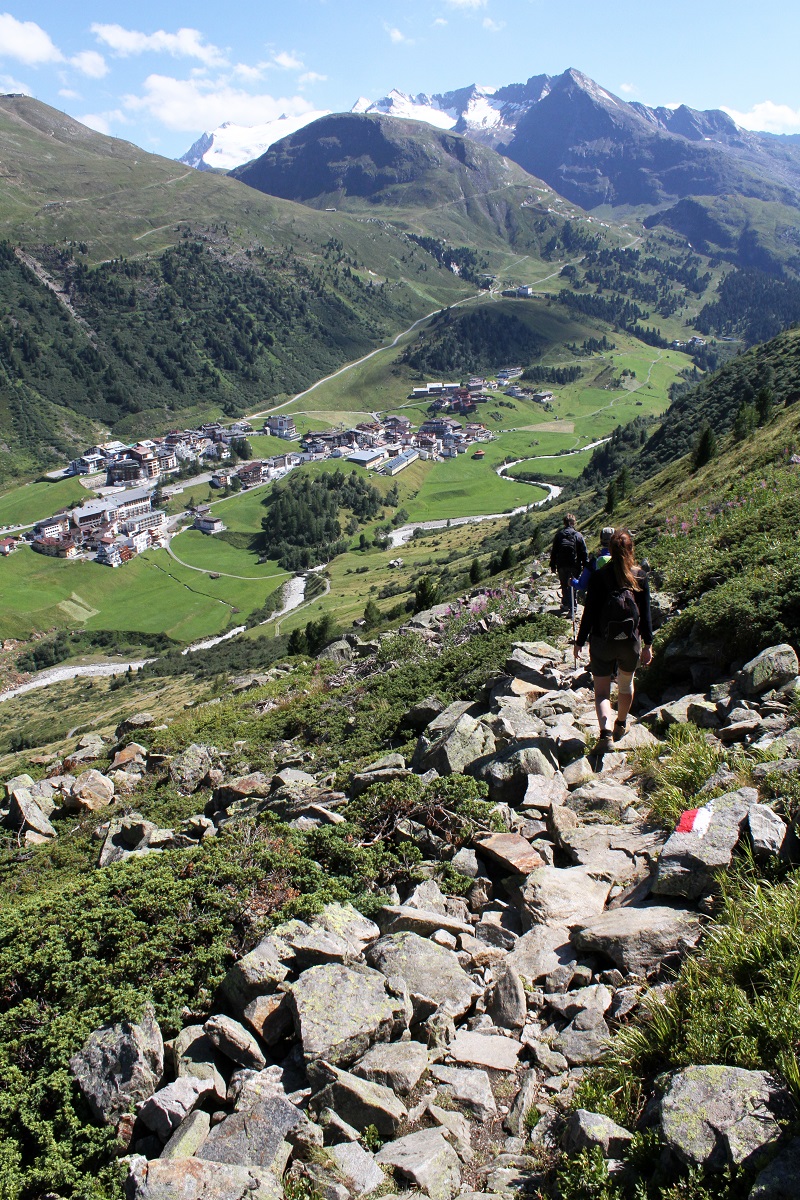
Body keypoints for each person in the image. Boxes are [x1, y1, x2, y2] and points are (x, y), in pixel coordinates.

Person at [573, 528, 653, 753]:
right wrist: (648, 645)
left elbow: (589, 613)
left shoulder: (599, 577)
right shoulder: (640, 577)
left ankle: (605, 734)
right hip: (630, 642)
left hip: (602, 641)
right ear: (631, 550)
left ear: (609, 549)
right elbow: (645, 615)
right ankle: (621, 724)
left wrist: (579, 642)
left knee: (601, 692)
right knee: (626, 685)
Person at [549, 514, 588, 612]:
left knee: (564, 584)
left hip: (562, 565)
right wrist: (585, 565)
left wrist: (553, 565)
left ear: (564, 523)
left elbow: (554, 551)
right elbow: (584, 552)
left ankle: (566, 604)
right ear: (573, 522)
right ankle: (573, 607)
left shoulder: (559, 535)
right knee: (573, 585)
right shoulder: (578, 535)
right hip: (574, 564)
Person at [572, 526, 614, 595]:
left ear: (601, 541)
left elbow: (582, 585)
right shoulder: (622, 559)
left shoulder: (595, 561)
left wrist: (572, 581)